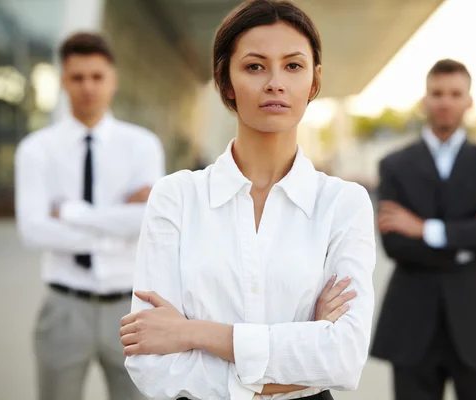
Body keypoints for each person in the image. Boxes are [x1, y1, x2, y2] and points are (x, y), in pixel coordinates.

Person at [119, 1, 376, 399]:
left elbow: (343, 357)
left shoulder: (343, 203)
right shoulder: (176, 197)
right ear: (225, 82)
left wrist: (194, 332)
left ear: (314, 81)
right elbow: (151, 361)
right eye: (255, 66)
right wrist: (299, 353)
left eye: (293, 66)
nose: (275, 82)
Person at [14, 32, 165, 400]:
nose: (87, 87)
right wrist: (118, 222)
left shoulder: (143, 145)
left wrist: (69, 212)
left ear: (113, 80)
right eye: (77, 77)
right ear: (63, 80)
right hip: (65, 308)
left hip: (130, 310)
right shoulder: (36, 150)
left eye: (97, 77)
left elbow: (148, 221)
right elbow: (33, 232)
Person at [371, 59, 476, 400]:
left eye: (455, 93)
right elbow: (396, 245)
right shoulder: (393, 166)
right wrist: (472, 234)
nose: (445, 101)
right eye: (437, 93)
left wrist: (424, 229)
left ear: (469, 101)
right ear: (424, 100)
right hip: (413, 326)